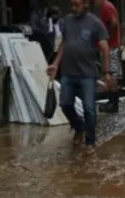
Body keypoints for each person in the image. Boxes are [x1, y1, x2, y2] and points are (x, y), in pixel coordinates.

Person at [47, 0, 114, 152]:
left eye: (77, 5)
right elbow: (64, 43)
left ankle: (90, 141)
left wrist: (107, 72)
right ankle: (78, 127)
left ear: (85, 5)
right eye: (72, 5)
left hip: (87, 74)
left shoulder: (96, 23)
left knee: (89, 109)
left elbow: (105, 48)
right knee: (65, 104)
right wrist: (56, 64)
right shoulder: (67, 21)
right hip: (68, 72)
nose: (73, 8)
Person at [96, 0, 122, 113]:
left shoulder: (106, 7)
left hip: (111, 47)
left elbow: (114, 23)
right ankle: (112, 102)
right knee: (112, 73)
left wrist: (107, 39)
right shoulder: (107, 7)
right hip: (112, 46)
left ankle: (113, 103)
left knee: (111, 73)